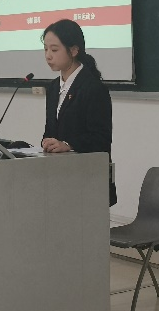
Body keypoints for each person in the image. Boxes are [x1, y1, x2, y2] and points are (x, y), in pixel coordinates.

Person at [41, 19, 117, 206]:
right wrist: (47, 142)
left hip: (88, 180)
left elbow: (101, 138)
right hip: (59, 178)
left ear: (74, 50)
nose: (48, 56)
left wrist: (68, 145)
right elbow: (51, 129)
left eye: (54, 50)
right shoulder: (53, 87)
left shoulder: (93, 88)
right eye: (45, 49)